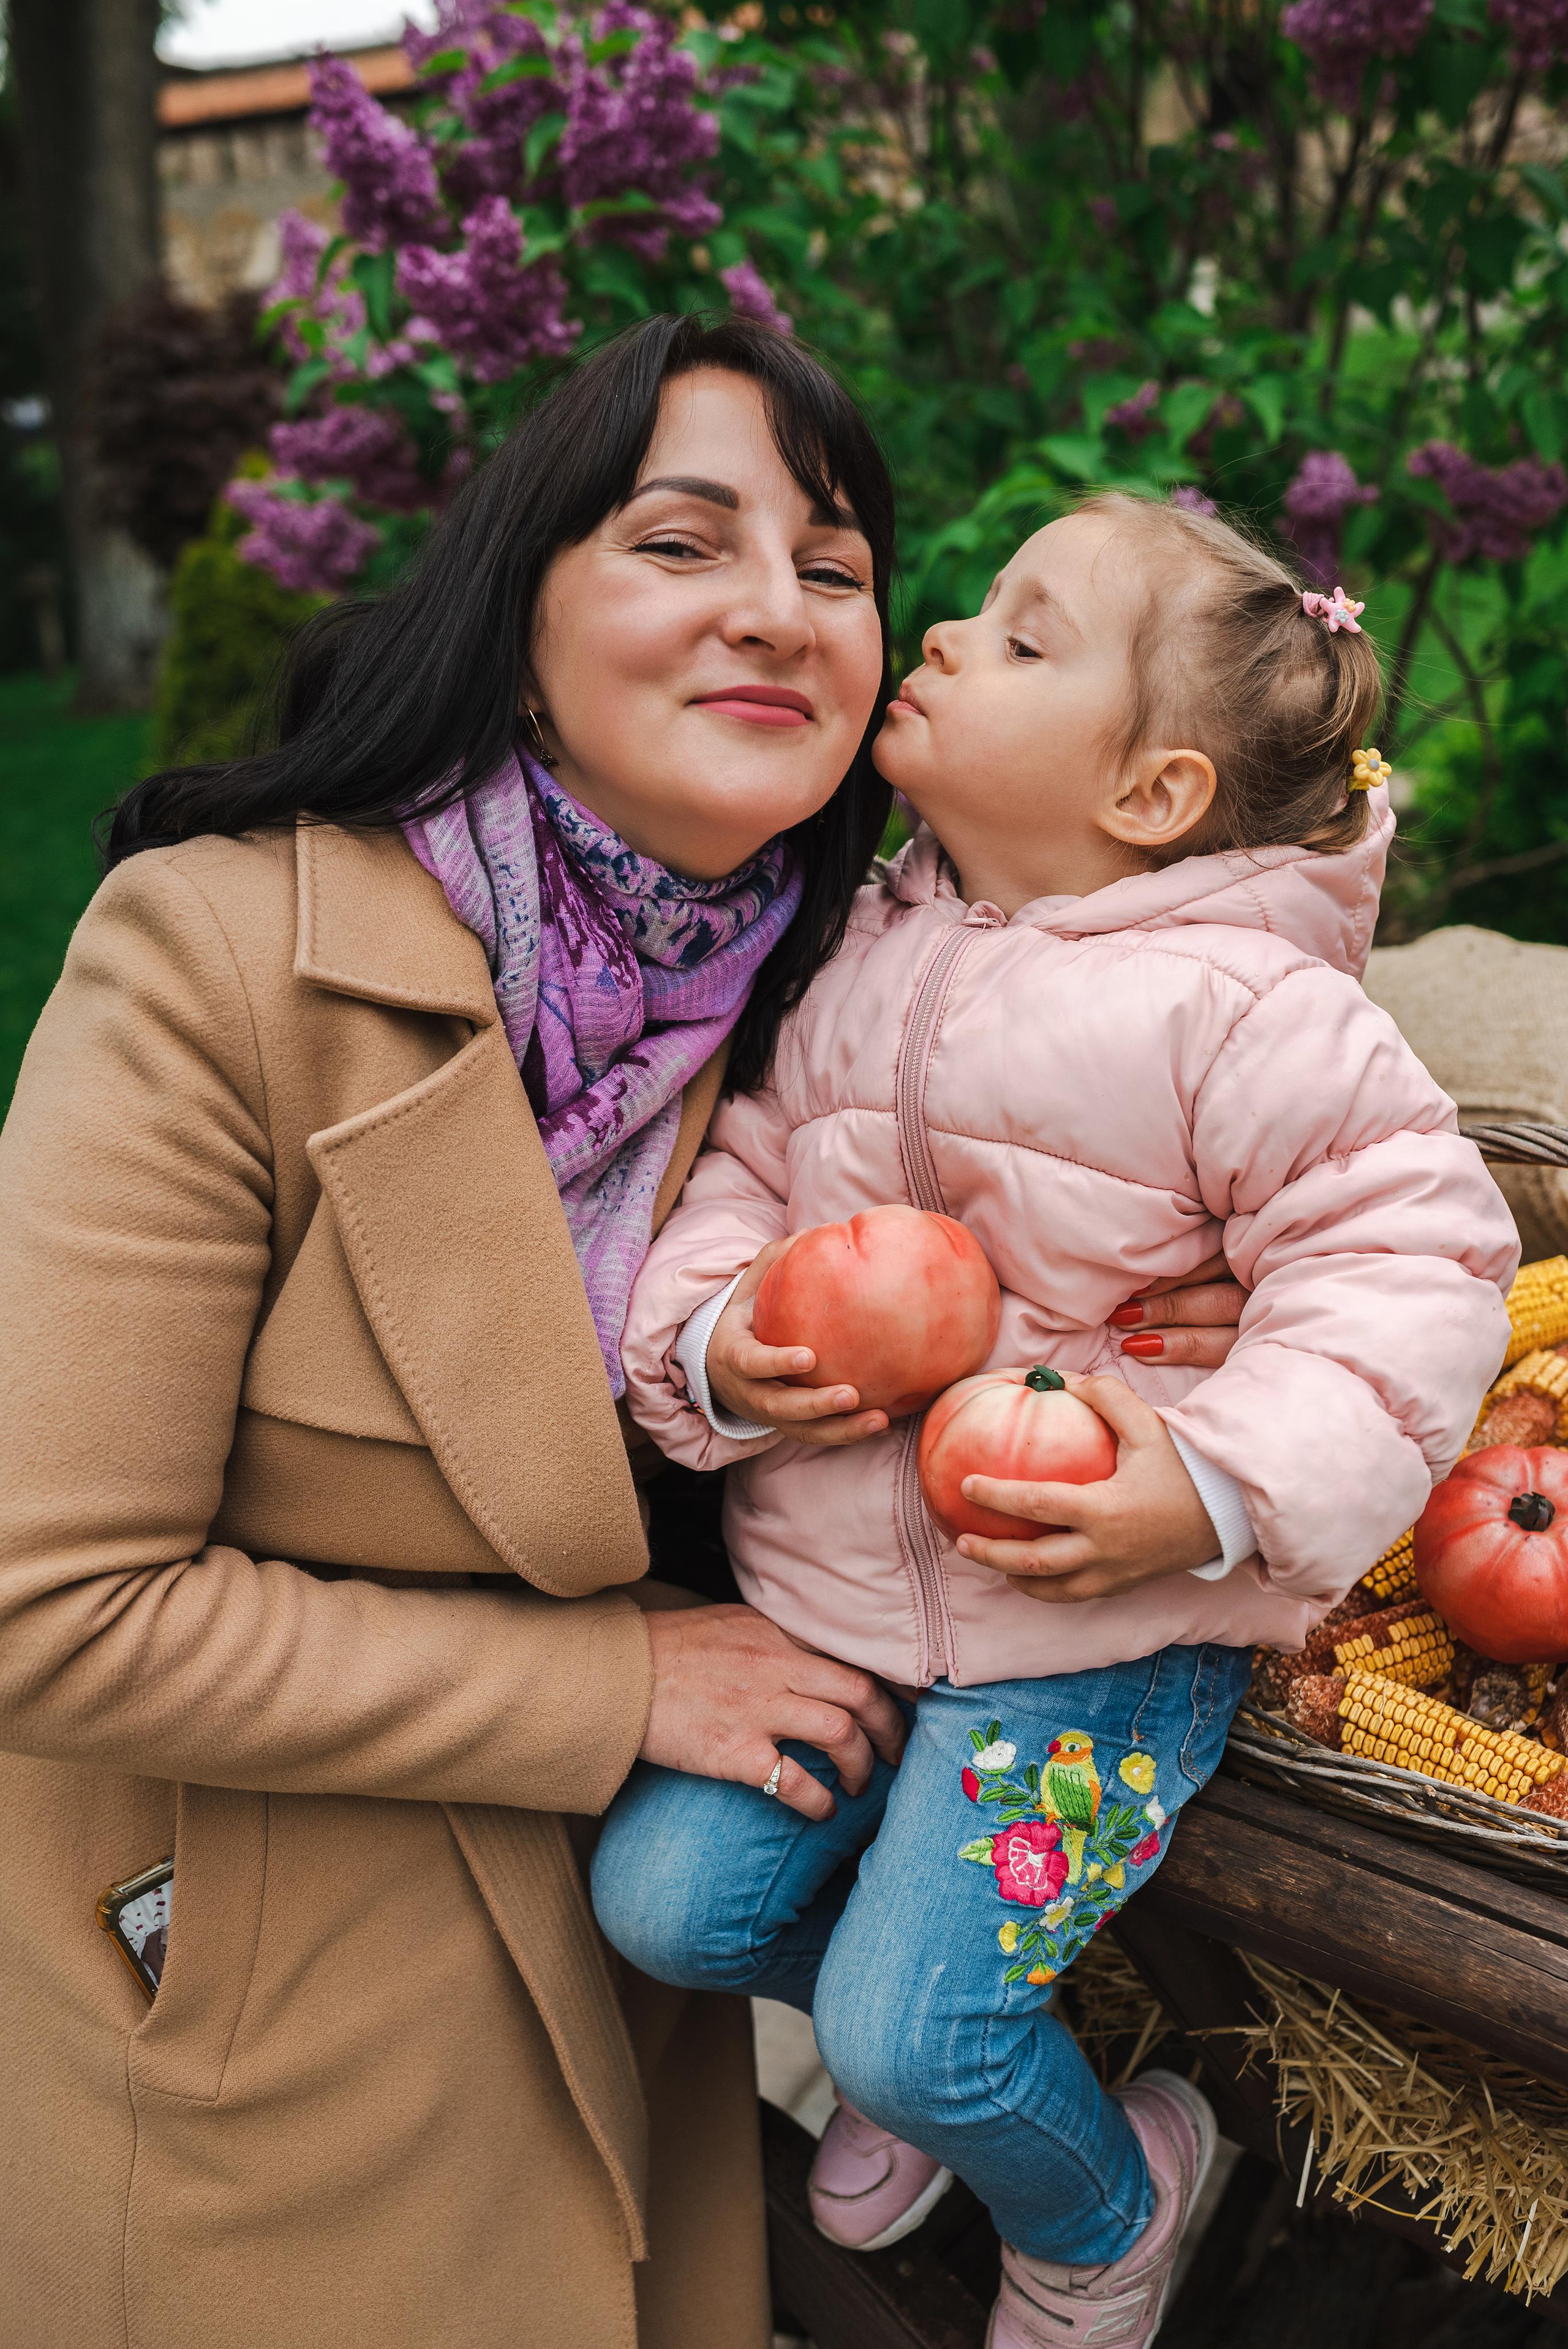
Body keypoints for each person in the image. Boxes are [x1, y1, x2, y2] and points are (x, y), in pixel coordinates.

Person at [0, 320, 1245, 2348]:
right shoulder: (220, 961)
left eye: (833, 568)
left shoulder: (841, 1012)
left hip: (641, 1971)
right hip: (275, 2016)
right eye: (683, 542)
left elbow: (1137, 1159)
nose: (776, 608)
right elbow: (51, 1609)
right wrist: (615, 1683)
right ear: (520, 628)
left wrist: (1185, 1303)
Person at [601, 496, 1520, 2349]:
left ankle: (1104, 2206)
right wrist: (713, 1338)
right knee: (669, 1908)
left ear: (1155, 793)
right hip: (832, 1595)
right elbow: (749, 1167)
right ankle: (939, 2042)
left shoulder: (1247, 1011)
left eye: (1025, 639)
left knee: (909, 2035)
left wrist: (1209, 1483)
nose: (943, 633)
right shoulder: (870, 945)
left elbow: (1414, 1267)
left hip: (1094, 1644)